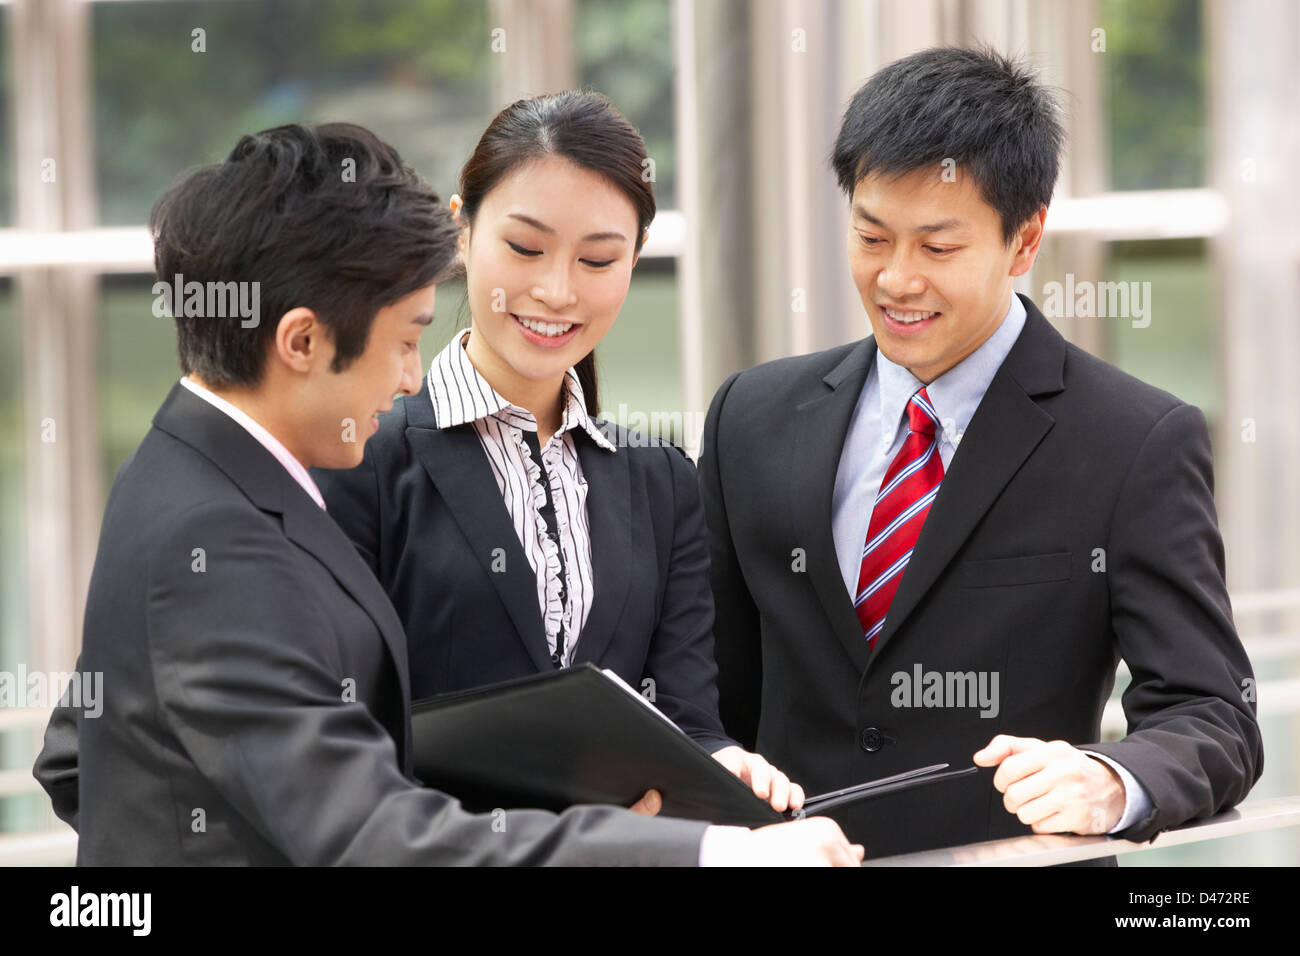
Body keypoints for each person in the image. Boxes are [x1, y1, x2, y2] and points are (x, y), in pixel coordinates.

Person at [32, 122, 862, 866]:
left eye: (600, 258)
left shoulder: (204, 472)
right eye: (403, 342)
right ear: (303, 340)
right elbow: (360, 828)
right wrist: (709, 854)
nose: (406, 377)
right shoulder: (265, 505)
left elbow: (112, 757)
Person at [699, 46, 1262, 861]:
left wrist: (1111, 779)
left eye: (938, 247)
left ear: (1025, 240)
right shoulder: (749, 417)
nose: (896, 279)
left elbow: (1215, 714)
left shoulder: (1133, 441)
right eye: (871, 236)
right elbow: (709, 693)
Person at [314, 90, 805, 816]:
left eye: (599, 259)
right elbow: (330, 728)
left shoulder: (663, 481)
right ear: (462, 231)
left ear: (636, 259)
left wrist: (729, 766)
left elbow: (689, 723)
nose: (556, 290)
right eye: (524, 247)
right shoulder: (362, 457)